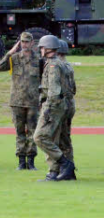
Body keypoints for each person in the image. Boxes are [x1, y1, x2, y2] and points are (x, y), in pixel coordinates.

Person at [0, 32, 41, 170]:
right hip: (17, 102)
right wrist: (10, 52)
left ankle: (31, 161)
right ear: (19, 43)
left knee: (33, 132)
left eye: (27, 42)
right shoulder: (14, 58)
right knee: (20, 132)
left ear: (32, 43)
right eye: (23, 42)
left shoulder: (38, 60)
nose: (25, 44)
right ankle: (21, 161)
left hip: (33, 102)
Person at [33, 35, 76, 182]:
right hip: (63, 105)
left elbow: (53, 89)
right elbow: (72, 88)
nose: (40, 50)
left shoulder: (53, 65)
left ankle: (62, 165)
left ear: (48, 48)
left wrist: (48, 109)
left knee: (40, 137)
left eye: (42, 47)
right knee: (62, 139)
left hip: (53, 106)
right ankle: (65, 172)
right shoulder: (62, 64)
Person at [57, 39, 76, 179]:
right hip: (70, 105)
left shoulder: (58, 66)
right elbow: (73, 88)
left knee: (60, 138)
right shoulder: (69, 66)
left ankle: (65, 169)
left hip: (61, 105)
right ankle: (69, 170)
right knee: (66, 138)